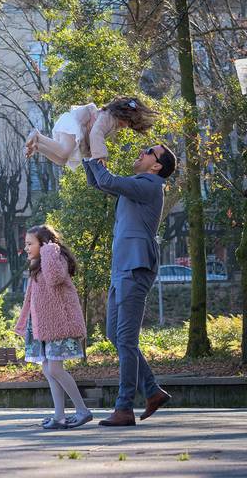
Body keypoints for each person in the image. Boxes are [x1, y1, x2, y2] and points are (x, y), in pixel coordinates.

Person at [83, 143, 177, 426]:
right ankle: (152, 390)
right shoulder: (137, 185)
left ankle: (124, 408)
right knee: (115, 334)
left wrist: (95, 153)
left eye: (149, 151)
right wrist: (88, 155)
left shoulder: (150, 185)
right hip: (122, 268)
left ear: (156, 166)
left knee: (125, 338)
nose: (142, 151)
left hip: (135, 267)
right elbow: (100, 182)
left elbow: (109, 181)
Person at [14, 225, 92, 429]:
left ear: (44, 244)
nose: (26, 248)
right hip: (43, 327)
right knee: (48, 370)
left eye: (30, 244)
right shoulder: (38, 265)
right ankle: (59, 417)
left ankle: (82, 410)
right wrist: (25, 324)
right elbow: (31, 298)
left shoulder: (56, 259)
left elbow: (54, 278)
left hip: (60, 324)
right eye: (25, 244)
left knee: (56, 369)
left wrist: (49, 250)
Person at [26, 96, 158, 169]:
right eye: (127, 123)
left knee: (62, 160)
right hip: (74, 124)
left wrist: (90, 154)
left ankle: (38, 147)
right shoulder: (108, 117)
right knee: (64, 151)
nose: (125, 127)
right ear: (123, 115)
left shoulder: (111, 122)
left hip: (77, 130)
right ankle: (38, 136)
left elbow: (94, 139)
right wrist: (100, 156)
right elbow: (96, 133)